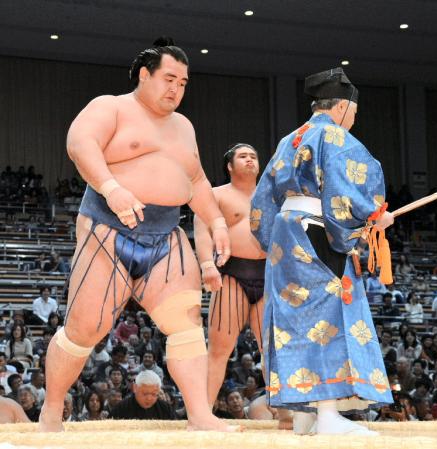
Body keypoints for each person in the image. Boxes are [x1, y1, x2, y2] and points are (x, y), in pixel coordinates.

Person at [39, 37, 232, 432]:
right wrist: (111, 186)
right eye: (169, 78)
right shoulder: (111, 106)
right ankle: (52, 410)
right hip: (108, 227)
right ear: (145, 75)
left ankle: (199, 415)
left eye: (183, 82)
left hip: (166, 232)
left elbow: (195, 180)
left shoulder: (184, 127)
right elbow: (80, 144)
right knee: (84, 328)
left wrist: (217, 224)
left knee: (186, 322)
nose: (176, 88)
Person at [251, 68, 394, 435]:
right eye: (355, 113)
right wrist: (375, 216)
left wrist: (276, 239)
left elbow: (262, 201)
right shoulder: (335, 136)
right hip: (317, 231)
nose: (353, 120)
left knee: (293, 319)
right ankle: (328, 414)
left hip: (287, 232)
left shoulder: (290, 139)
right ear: (344, 107)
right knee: (327, 314)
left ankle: (305, 416)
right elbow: (350, 186)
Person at [194, 143, 265, 401]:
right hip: (232, 273)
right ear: (229, 166)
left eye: (253, 156)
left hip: (269, 274)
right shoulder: (216, 195)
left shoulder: (272, 196)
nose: (249, 160)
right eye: (243, 156)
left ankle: (285, 414)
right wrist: (206, 265)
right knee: (219, 350)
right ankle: (203, 412)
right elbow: (202, 232)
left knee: (274, 348)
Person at [109, 370, 176, 420]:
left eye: (154, 394)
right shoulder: (121, 408)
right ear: (135, 388)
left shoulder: (165, 409)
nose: (149, 398)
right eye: (145, 393)